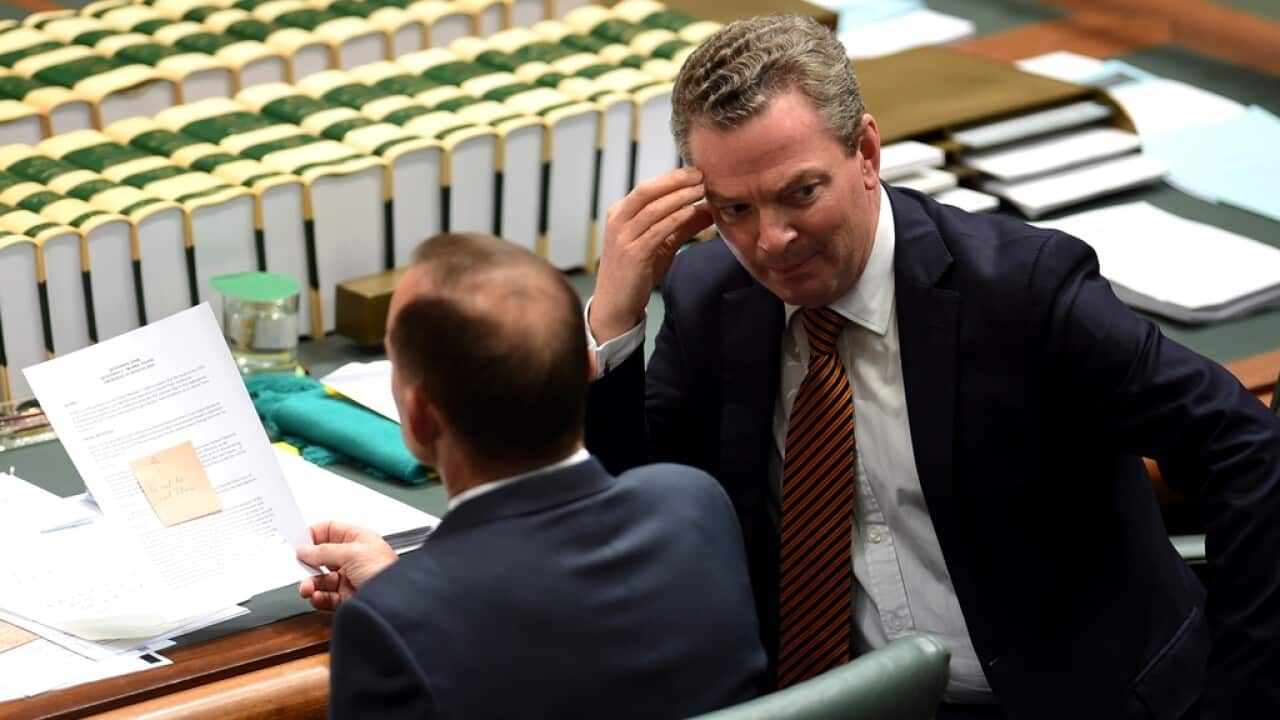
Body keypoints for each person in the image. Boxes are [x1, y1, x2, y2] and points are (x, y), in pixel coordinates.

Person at [583, 14, 1280, 720]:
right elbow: (639, 521)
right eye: (734, 208)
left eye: (801, 193)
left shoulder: (1023, 292)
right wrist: (613, 323)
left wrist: (1242, 700)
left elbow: (1248, 451)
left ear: (866, 152)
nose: (771, 241)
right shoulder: (712, 298)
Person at [297, 232, 766, 718]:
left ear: (418, 415)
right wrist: (404, 596)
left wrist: (401, 605)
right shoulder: (694, 503)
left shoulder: (383, 626)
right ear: (588, 369)